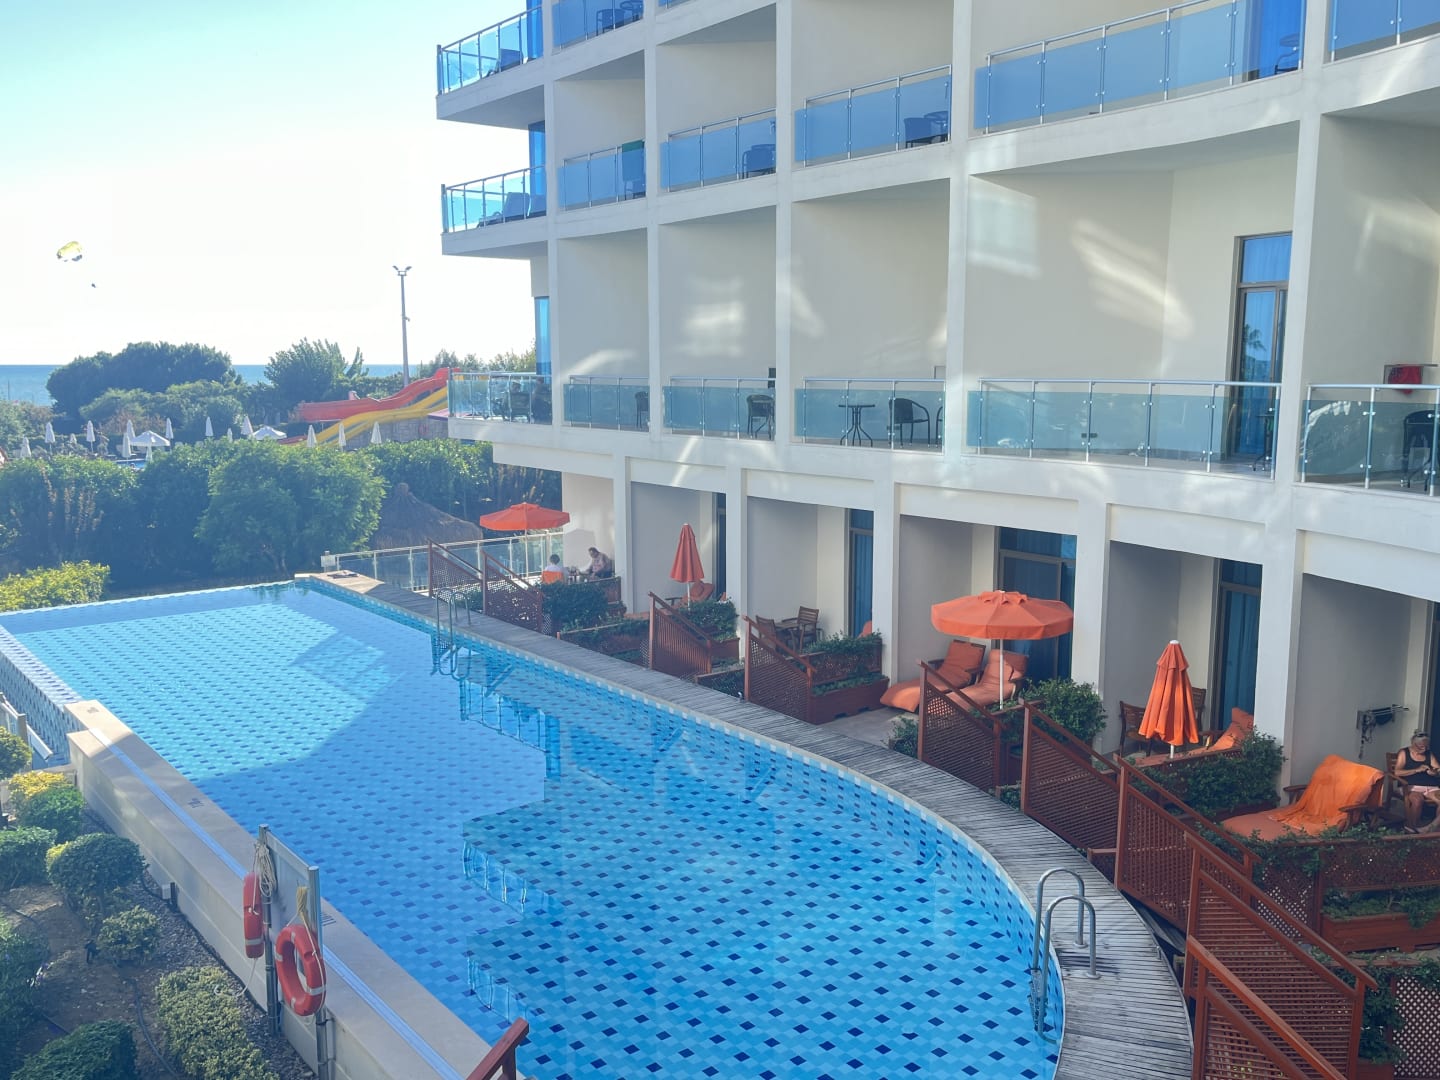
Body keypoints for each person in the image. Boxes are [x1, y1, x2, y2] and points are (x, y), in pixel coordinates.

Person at [1396, 729, 1440, 832]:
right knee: (1417, 800)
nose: (1423, 749)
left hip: (1431, 787)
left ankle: (1433, 827)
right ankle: (1411, 827)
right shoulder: (1404, 752)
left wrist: (1434, 772)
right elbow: (1397, 772)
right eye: (1420, 746)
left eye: (1425, 746)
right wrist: (1416, 770)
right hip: (1411, 786)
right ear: (1413, 742)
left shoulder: (1429, 754)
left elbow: (1438, 769)